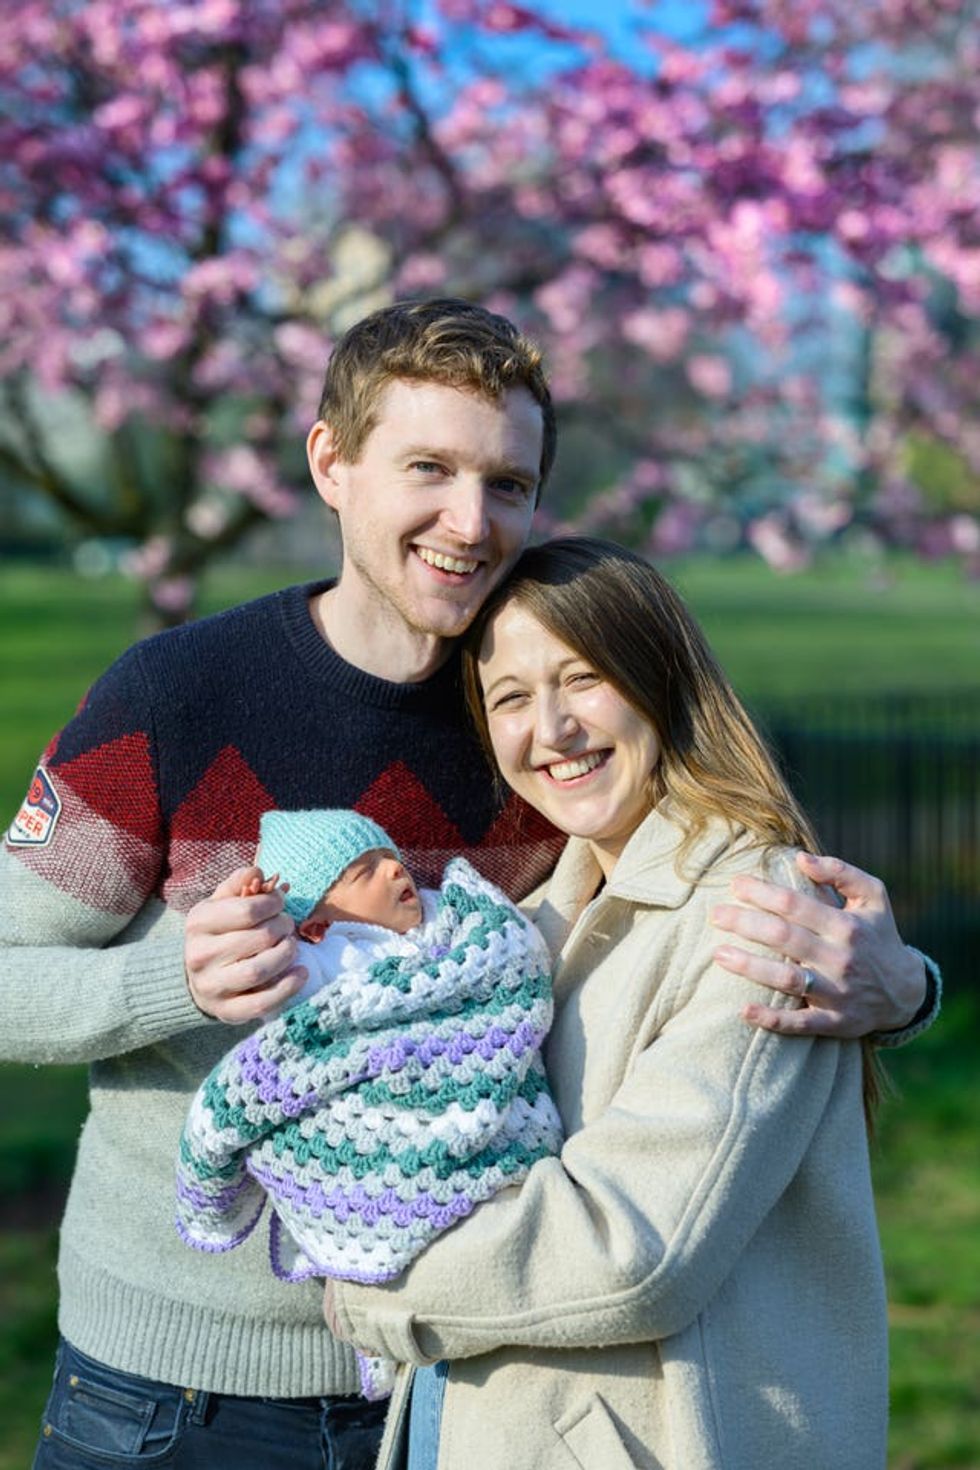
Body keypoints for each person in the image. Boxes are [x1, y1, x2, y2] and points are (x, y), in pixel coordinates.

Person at [0, 299, 936, 1470]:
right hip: (175, 1397)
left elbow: (667, 934)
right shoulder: (174, 697)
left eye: (506, 482)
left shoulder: (537, 726)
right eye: (427, 468)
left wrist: (900, 990)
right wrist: (168, 981)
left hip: (468, 1393)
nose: (468, 519)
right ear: (330, 463)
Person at [324, 537, 939, 1470]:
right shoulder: (531, 921)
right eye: (513, 698)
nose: (553, 729)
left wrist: (372, 1287)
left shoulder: (758, 915)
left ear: (661, 682)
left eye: (583, 679)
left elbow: (635, 1249)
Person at [176, 808, 561, 1386]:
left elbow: (504, 951)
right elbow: (276, 991)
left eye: (389, 858)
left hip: (462, 1078)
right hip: (364, 1102)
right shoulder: (322, 958)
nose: (391, 872)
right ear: (313, 923)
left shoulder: (444, 924)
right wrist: (264, 911)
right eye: (362, 872)